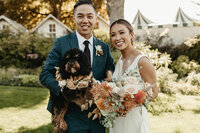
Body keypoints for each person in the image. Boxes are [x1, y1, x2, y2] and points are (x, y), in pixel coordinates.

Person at [39, 0, 115, 132]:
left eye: (89, 16)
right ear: (74, 18)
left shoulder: (104, 47)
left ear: (95, 18)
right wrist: (65, 90)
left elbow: (111, 76)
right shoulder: (61, 43)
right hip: (70, 116)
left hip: (97, 116)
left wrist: (98, 87)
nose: (85, 20)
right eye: (80, 16)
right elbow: (45, 75)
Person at [109, 19, 158, 133]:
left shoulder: (142, 61)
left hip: (134, 119)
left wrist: (129, 103)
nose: (117, 38)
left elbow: (154, 93)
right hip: (118, 119)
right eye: (113, 35)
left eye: (121, 33)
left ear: (131, 34)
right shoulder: (120, 61)